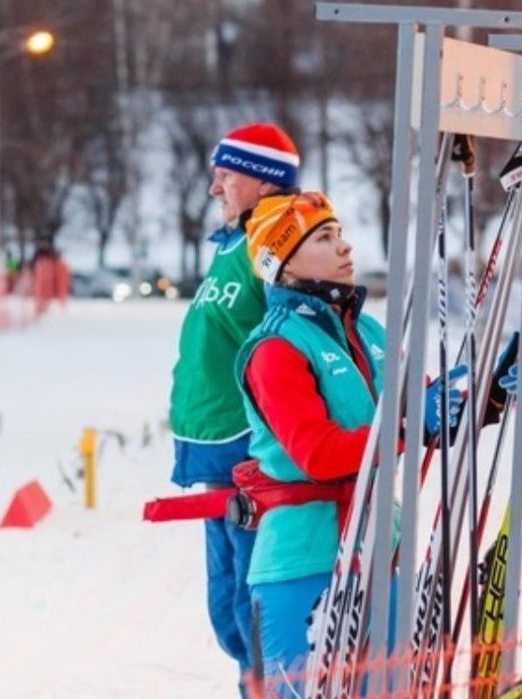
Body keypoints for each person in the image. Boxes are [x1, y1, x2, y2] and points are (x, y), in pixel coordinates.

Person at [235, 192, 511, 695]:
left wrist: (481, 396)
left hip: (381, 552)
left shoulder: (366, 330)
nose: (344, 247)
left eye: (339, 233)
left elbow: (420, 405)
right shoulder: (275, 346)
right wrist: (408, 426)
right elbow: (318, 454)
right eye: (323, 238)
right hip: (305, 563)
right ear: (285, 262)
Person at [166, 122, 301, 695]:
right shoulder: (232, 245)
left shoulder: (276, 242)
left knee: (253, 604)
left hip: (249, 448)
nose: (214, 187)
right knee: (226, 604)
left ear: (263, 182)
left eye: (226, 175)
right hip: (215, 447)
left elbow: (296, 333)